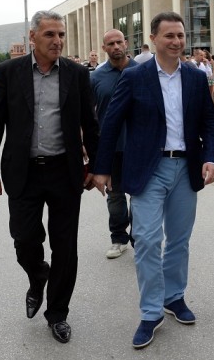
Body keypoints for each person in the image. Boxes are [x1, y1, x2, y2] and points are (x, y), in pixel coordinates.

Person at [93, 11, 214, 349]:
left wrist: (211, 158)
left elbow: (208, 122)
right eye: (169, 36)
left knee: (179, 240)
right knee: (148, 240)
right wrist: (102, 168)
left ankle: (173, 297)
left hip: (186, 168)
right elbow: (111, 123)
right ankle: (151, 312)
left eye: (180, 35)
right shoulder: (135, 76)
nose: (177, 41)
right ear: (153, 39)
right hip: (148, 169)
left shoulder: (195, 77)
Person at [0, 10, 99, 344]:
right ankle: (37, 275)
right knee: (24, 239)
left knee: (65, 247)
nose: (57, 41)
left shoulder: (76, 74)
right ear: (33, 37)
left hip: (65, 172)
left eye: (61, 35)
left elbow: (90, 125)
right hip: (23, 172)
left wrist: (98, 167)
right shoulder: (8, 72)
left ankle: (57, 313)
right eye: (50, 34)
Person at [91, 29, 137, 258]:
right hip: (111, 147)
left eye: (119, 42)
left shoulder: (143, 71)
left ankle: (139, 238)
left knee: (140, 195)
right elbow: (88, 114)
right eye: (111, 44)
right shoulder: (96, 77)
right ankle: (118, 238)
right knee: (115, 195)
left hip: (140, 146)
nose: (116, 46)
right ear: (104, 48)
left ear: (126, 43)